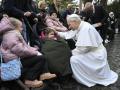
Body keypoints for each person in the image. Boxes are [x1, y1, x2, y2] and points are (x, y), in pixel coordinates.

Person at [54, 14, 118, 87]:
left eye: (69, 24)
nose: (69, 27)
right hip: (91, 51)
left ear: (74, 21)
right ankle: (86, 75)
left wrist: (69, 53)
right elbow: (68, 34)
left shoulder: (86, 29)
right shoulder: (80, 25)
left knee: (74, 59)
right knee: (74, 57)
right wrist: (57, 33)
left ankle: (86, 78)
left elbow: (83, 49)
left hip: (97, 54)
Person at [0, 17, 56, 87]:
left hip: (18, 58)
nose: (22, 29)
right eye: (20, 27)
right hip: (15, 61)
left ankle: (44, 73)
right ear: (14, 27)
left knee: (40, 53)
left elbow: (23, 47)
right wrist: (33, 52)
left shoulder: (11, 34)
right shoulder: (11, 35)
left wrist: (33, 49)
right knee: (41, 58)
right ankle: (29, 79)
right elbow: (19, 50)